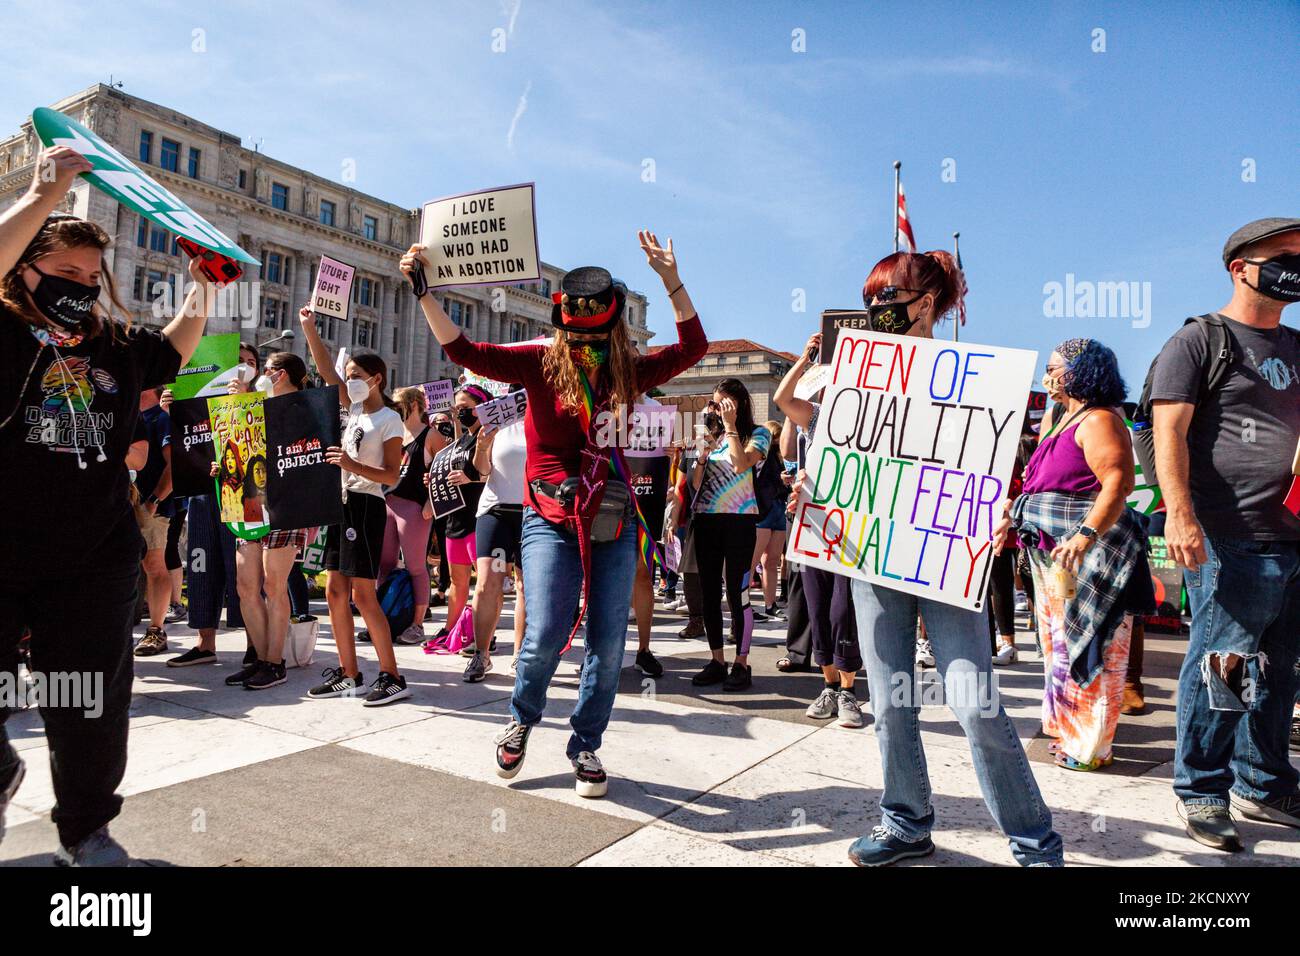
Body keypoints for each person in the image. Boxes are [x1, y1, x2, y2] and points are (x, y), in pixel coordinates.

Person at [401, 229, 705, 797]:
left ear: (612, 329)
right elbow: (465, 352)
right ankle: (521, 718)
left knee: (608, 644)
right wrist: (424, 293)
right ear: (563, 326)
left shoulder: (627, 371)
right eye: (576, 334)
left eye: (595, 335)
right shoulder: (538, 362)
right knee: (542, 634)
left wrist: (671, 281)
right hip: (548, 516)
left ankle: (585, 743)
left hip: (612, 517)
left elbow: (693, 348)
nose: (585, 343)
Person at [0, 144, 215, 865]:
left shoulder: (116, 344)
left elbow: (174, 350)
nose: (83, 287)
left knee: (88, 702)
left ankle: (87, 829)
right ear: (23, 268)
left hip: (92, 557)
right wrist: (43, 191)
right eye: (66, 273)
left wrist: (202, 291)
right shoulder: (4, 327)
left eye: (93, 277)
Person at [838, 249, 1063, 867]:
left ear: (926, 303)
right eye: (870, 299)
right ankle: (905, 823)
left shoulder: (976, 381)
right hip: (874, 554)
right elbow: (837, 453)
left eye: (888, 297)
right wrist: (818, 487)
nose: (876, 309)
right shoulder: (859, 378)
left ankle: (1033, 841)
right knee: (889, 703)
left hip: (946, 555)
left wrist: (1001, 506)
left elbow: (995, 468)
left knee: (973, 700)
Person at [1153, 218, 1300, 851]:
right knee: (1226, 665)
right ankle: (1202, 788)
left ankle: (1263, 782)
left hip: (1293, 536)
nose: (1295, 268)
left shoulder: (1296, 347)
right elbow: (1169, 431)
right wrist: (1180, 514)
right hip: (1229, 535)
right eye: (1283, 256)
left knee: (1281, 670)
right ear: (1240, 267)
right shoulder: (1199, 341)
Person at [1014, 339, 1149, 772]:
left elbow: (1118, 483)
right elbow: (1041, 485)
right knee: (1060, 645)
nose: (1048, 375)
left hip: (1090, 555)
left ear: (1079, 371)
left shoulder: (1100, 420)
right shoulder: (1060, 419)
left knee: (1094, 645)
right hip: (1054, 555)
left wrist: (1086, 534)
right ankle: (1068, 732)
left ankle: (1091, 747)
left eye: (1055, 367)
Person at [298, 307, 410, 705]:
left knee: (363, 595)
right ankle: (349, 674)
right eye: (349, 376)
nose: (350, 381)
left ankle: (392, 675)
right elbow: (326, 370)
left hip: (365, 505)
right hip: (341, 503)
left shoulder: (389, 420)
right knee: (334, 591)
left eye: (357, 375)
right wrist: (309, 328)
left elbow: (391, 474)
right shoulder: (355, 409)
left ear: (377, 379)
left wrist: (351, 464)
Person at [773, 335, 864, 727]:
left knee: (844, 609)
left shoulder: (870, 420)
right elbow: (782, 398)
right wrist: (806, 359)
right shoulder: (817, 417)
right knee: (817, 606)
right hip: (813, 524)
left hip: (854, 530)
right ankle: (829, 686)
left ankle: (849, 691)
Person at [229, 352, 320, 690]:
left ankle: (274, 662)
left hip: (287, 504)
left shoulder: (304, 409)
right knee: (245, 585)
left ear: (280, 375)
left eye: (265, 369)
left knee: (273, 585)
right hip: (251, 501)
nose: (259, 375)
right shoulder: (254, 406)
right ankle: (260, 657)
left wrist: (249, 404)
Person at [162, 343, 255, 670]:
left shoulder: (260, 402)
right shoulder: (203, 398)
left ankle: (255, 644)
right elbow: (189, 439)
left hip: (241, 496)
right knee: (201, 565)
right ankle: (205, 643)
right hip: (203, 493)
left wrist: (242, 400)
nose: (242, 367)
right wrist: (172, 411)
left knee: (242, 571)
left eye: (250, 362)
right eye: (237, 361)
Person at [687, 380, 771, 691]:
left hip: (740, 520)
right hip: (707, 519)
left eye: (721, 403)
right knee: (709, 592)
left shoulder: (758, 433)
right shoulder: (711, 435)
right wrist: (702, 454)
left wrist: (732, 426)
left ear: (738, 404)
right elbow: (696, 483)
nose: (715, 409)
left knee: (738, 592)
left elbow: (740, 465)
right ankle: (717, 660)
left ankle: (742, 663)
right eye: (713, 403)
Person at [463, 387, 528, 682]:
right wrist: (482, 446)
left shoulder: (544, 421)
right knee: (489, 582)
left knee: (524, 586)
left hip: (531, 513)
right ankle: (481, 653)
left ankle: (520, 655)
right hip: (496, 511)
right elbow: (481, 471)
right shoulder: (496, 422)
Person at [377, 385, 438, 645]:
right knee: (384, 564)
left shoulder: (431, 435)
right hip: (388, 502)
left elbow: (443, 472)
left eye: (398, 405)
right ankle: (383, 620)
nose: (395, 410)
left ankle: (417, 624)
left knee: (415, 566)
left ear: (413, 405)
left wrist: (431, 503)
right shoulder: (393, 432)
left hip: (413, 507)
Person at [436, 384, 489, 646]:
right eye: (457, 408)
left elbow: (493, 472)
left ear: (482, 406)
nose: (460, 413)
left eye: (465, 407)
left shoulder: (489, 434)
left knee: (485, 583)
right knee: (458, 581)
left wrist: (471, 479)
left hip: (478, 516)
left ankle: (483, 634)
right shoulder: (463, 438)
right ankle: (451, 628)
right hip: (456, 517)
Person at [130, 386, 176, 657]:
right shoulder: (128, 412)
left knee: (154, 565)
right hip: (122, 502)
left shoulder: (162, 416)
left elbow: (174, 463)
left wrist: (154, 500)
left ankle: (156, 630)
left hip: (150, 505)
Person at [750, 418, 789, 621]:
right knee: (752, 561)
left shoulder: (780, 456)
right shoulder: (760, 453)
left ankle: (770, 604)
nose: (777, 442)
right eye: (776, 437)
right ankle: (744, 605)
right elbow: (756, 479)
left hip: (778, 508)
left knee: (772, 561)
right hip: (762, 509)